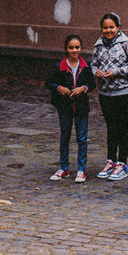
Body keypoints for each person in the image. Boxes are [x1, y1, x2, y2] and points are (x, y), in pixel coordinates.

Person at [91, 13, 128, 181]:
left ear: (119, 27)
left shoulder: (127, 44)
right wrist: (95, 72)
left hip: (123, 92)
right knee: (110, 127)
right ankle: (110, 161)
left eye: (112, 27)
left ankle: (122, 163)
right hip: (105, 93)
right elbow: (93, 63)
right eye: (105, 27)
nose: (108, 30)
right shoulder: (98, 45)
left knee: (121, 127)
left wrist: (117, 72)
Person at [47, 34, 94, 183]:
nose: (74, 50)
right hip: (65, 106)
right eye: (71, 47)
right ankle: (64, 168)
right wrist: (59, 87)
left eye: (77, 47)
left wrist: (83, 88)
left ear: (81, 48)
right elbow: (49, 82)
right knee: (65, 136)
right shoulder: (59, 66)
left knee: (82, 138)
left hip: (81, 107)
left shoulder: (85, 66)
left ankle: (81, 169)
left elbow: (92, 84)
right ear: (66, 49)